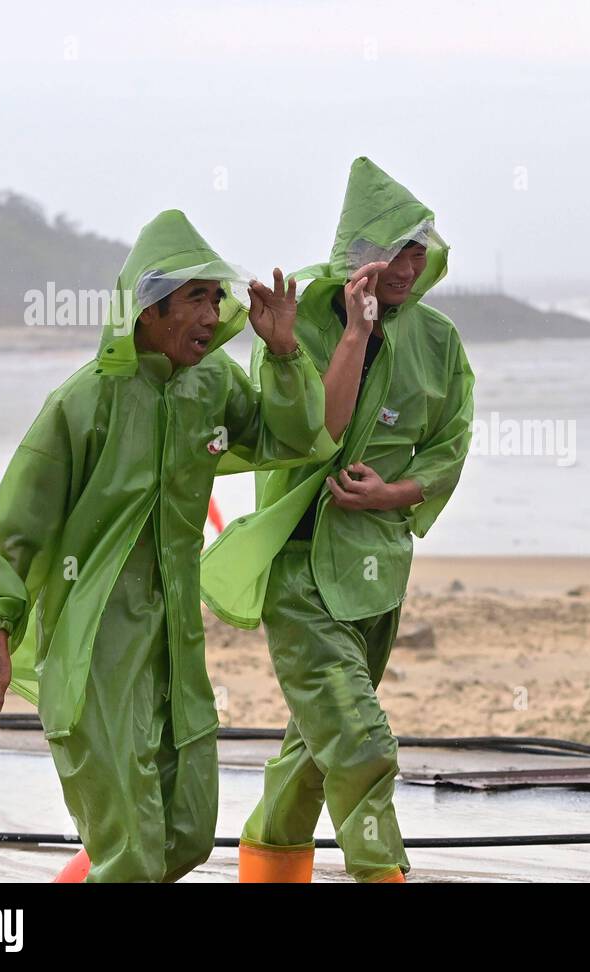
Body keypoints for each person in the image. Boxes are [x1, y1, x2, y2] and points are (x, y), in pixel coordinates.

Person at [0, 209, 338, 882]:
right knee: (131, 849)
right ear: (150, 310)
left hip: (176, 646)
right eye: (197, 298)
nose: (213, 313)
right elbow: (19, 522)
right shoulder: (86, 401)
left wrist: (284, 351)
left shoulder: (213, 386)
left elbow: (294, 438)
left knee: (185, 834)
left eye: (216, 299)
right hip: (96, 650)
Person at [201, 158, 475, 883]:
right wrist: (355, 331)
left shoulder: (439, 340)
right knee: (360, 744)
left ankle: (268, 866)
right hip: (299, 565)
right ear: (359, 253)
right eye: (396, 248)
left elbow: (452, 441)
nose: (410, 265)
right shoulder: (297, 326)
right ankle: (383, 874)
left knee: (314, 750)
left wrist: (393, 494)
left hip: (379, 566)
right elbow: (316, 428)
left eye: (420, 249)